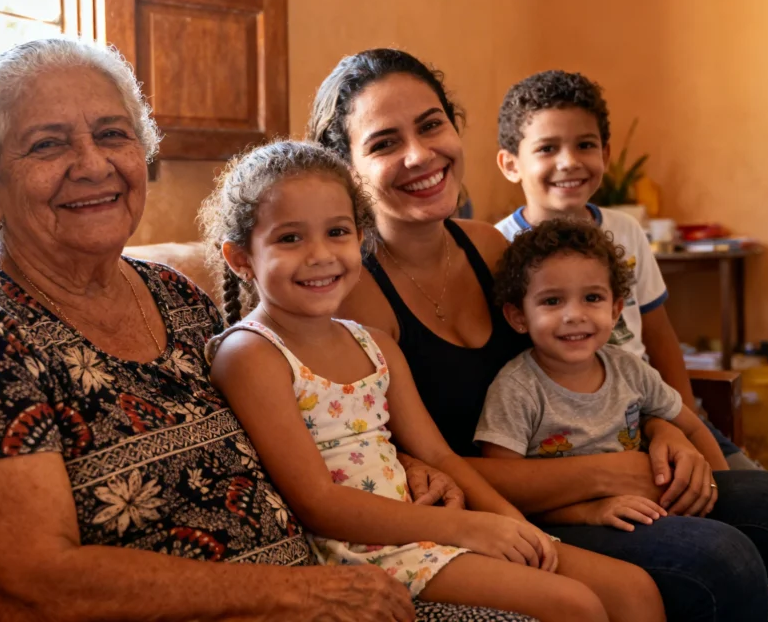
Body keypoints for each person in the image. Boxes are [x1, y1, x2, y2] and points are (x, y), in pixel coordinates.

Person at [0, 37, 527, 622]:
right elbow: (26, 587)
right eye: (47, 144)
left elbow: (286, 424)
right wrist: (302, 596)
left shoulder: (172, 294)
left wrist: (400, 461)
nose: (93, 164)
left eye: (113, 134)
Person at [307, 48, 768, 622]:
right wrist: (601, 476)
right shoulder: (348, 293)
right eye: (383, 143)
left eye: (432, 126)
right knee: (717, 559)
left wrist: (660, 425)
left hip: (586, 462)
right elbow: (417, 463)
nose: (420, 154)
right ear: (347, 168)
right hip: (506, 502)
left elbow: (582, 364)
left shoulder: (493, 250)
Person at [199, 140, 665, 622]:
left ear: (360, 238)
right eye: (290, 239)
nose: (320, 255)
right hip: (359, 551)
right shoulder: (251, 353)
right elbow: (320, 503)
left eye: (337, 231)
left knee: (632, 590)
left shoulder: (374, 344)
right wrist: (466, 529)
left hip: (424, 531)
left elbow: (438, 455)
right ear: (240, 257)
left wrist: (508, 521)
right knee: (576, 605)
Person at [476, 219, 768, 621]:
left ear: (615, 309)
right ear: (517, 316)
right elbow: (503, 491)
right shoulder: (516, 390)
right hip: (574, 522)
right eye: (552, 301)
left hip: (651, 501)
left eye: (592, 298)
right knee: (725, 557)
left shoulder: (629, 369)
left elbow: (692, 425)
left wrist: (717, 485)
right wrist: (589, 512)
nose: (575, 315)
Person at [492, 69, 754, 467]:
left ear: (606, 154)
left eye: (585, 145)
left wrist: (681, 420)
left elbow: (659, 334)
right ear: (511, 164)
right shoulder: (497, 246)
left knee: (762, 494)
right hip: (573, 428)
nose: (569, 162)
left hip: (649, 404)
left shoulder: (625, 230)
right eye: (547, 148)